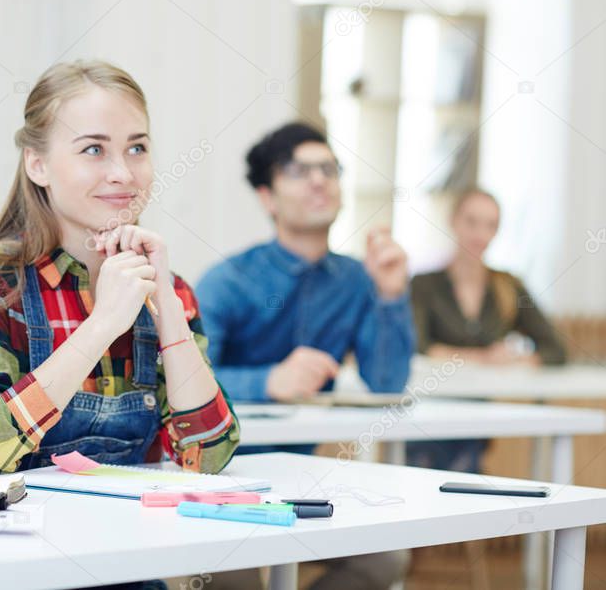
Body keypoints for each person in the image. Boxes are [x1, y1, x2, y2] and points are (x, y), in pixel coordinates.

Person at [0, 60, 239, 487]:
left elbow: (209, 457)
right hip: (8, 546)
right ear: (37, 165)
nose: (123, 173)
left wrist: (165, 301)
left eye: (137, 148)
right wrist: (103, 323)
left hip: (121, 540)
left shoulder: (170, 290)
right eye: (94, 149)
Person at [196, 122, 413, 590]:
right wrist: (268, 381)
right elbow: (181, 386)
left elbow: (388, 383)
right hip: (224, 480)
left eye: (328, 169)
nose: (319, 180)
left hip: (306, 480)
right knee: (232, 578)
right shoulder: (227, 280)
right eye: (298, 171)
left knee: (384, 562)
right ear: (267, 197)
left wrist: (390, 296)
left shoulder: (358, 279)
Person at [407, 188, 566, 472]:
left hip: (478, 423)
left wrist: (516, 361)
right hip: (427, 417)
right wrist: (482, 358)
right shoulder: (424, 284)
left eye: (490, 225)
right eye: (471, 222)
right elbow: (417, 347)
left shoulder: (508, 286)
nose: (480, 234)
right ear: (454, 221)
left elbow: (555, 348)